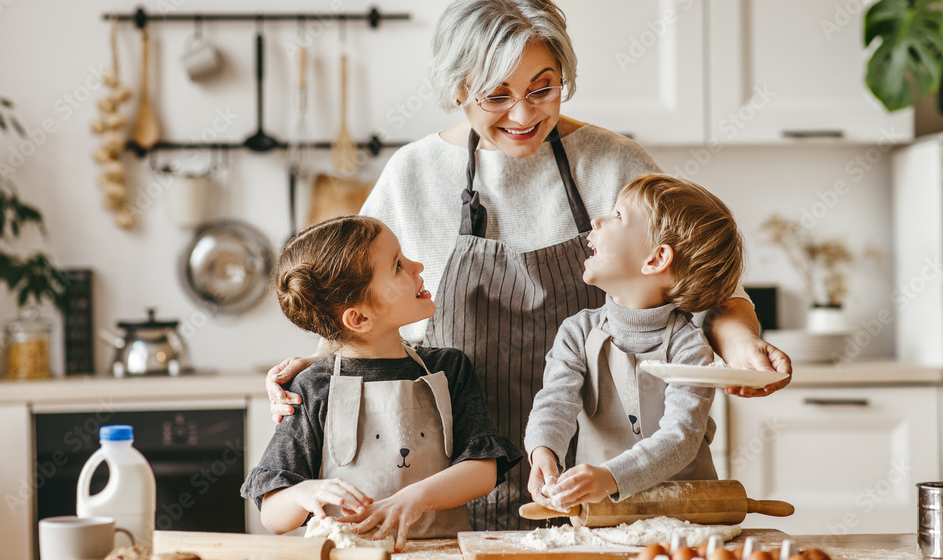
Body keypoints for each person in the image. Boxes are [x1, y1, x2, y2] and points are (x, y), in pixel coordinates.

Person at [265, 0, 792, 530]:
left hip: (607, 479)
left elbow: (706, 281)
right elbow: (354, 302)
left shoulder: (613, 163)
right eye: (496, 95)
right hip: (449, 480)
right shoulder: (414, 173)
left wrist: (742, 342)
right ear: (457, 90)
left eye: (543, 88)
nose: (523, 115)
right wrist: (312, 369)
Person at [241, 216, 522, 552]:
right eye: (398, 266)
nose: (417, 266)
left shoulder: (449, 368)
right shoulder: (313, 388)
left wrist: (412, 499)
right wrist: (305, 492)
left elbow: (482, 471)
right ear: (359, 318)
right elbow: (272, 514)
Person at [524, 173, 743, 511]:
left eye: (617, 216)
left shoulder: (690, 347)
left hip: (685, 516)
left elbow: (681, 438)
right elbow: (556, 402)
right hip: (602, 513)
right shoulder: (577, 332)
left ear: (655, 259)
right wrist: (544, 451)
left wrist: (608, 478)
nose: (596, 220)